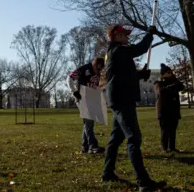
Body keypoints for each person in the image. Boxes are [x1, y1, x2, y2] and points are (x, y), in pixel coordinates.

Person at [102, 25, 166, 192]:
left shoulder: (115, 53)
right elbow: (140, 48)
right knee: (134, 138)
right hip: (122, 100)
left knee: (116, 139)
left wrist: (140, 75)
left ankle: (107, 173)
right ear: (116, 36)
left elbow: (123, 75)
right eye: (125, 35)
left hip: (119, 98)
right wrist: (149, 34)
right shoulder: (118, 50)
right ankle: (143, 182)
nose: (128, 38)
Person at [67, 57, 106, 153]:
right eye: (98, 68)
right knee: (89, 121)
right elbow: (69, 78)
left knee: (88, 123)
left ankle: (84, 146)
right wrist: (74, 91)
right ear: (94, 65)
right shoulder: (83, 69)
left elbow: (100, 87)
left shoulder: (100, 74)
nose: (99, 71)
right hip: (81, 97)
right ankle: (93, 146)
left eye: (101, 69)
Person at [154, 63, 185, 153]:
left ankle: (172, 147)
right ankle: (164, 147)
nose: (170, 73)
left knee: (173, 129)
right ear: (163, 73)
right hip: (164, 110)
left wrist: (173, 78)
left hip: (174, 109)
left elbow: (181, 86)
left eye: (171, 72)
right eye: (168, 72)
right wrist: (171, 85)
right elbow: (161, 91)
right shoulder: (158, 83)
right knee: (165, 129)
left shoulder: (174, 81)